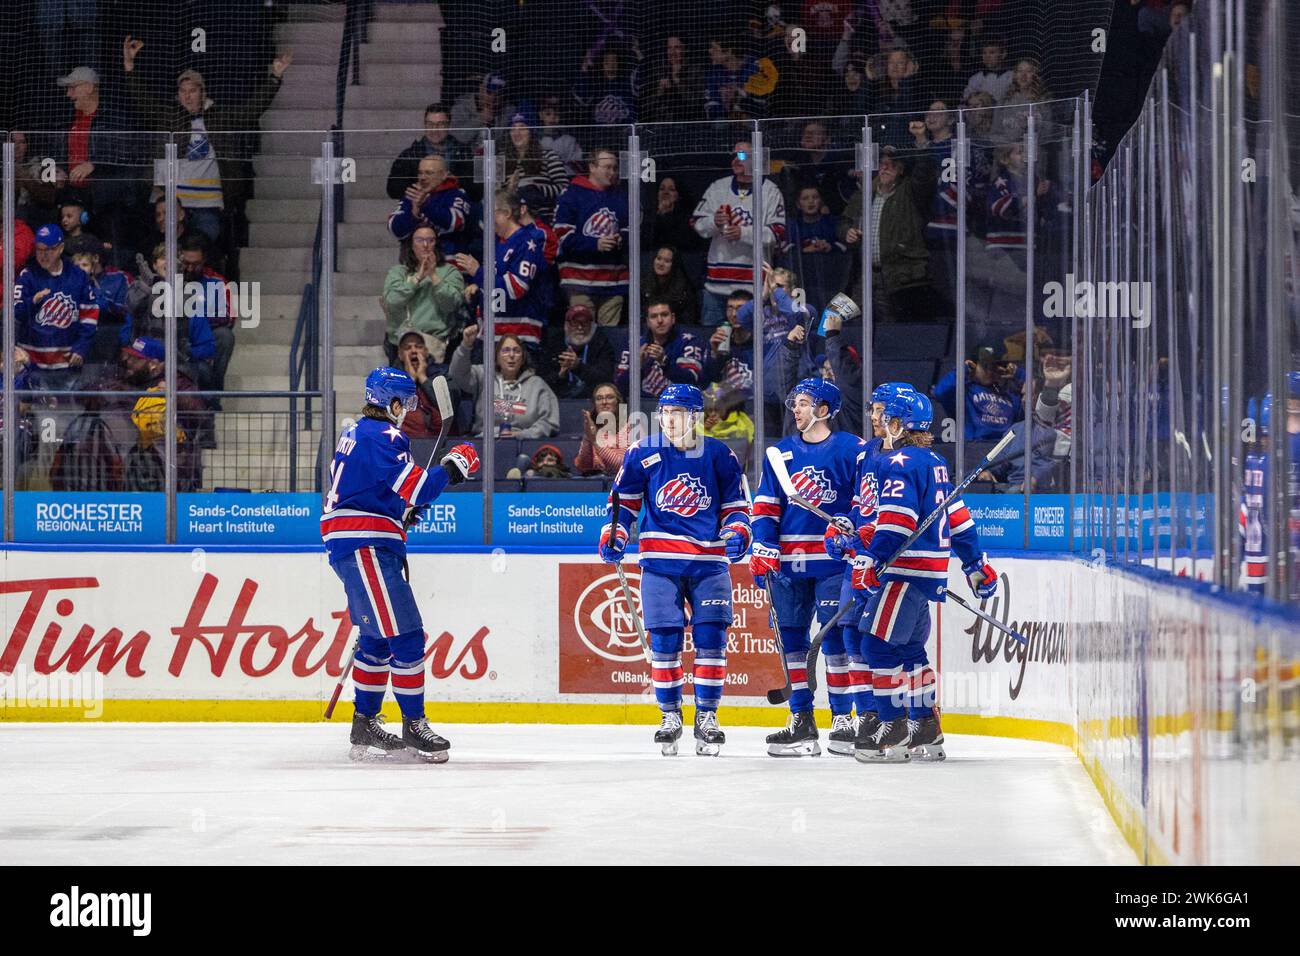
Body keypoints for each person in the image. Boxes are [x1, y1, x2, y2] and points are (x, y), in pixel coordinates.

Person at [320, 367, 480, 762]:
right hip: (367, 545)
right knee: (407, 636)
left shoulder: (355, 432)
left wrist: (398, 511)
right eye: (405, 402)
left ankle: (365, 721)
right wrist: (454, 466)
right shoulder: (386, 436)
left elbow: (370, 489)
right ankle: (414, 724)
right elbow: (421, 487)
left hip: (354, 541)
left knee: (376, 638)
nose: (407, 410)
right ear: (391, 402)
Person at [840, 390, 997, 762]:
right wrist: (974, 564)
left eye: (885, 416)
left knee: (875, 645)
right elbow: (958, 520)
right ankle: (925, 723)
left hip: (902, 570)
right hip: (927, 571)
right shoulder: (934, 462)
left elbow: (897, 523)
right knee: (909, 649)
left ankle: (891, 728)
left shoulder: (899, 462)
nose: (880, 421)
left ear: (898, 423)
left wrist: (869, 559)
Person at [599, 383, 753, 756]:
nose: (669, 420)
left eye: (678, 413)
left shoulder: (719, 454)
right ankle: (669, 715)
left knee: (711, 640)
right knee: (664, 641)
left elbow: (738, 506)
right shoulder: (642, 452)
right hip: (659, 564)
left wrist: (737, 533)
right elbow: (623, 504)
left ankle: (707, 716)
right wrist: (615, 533)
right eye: (665, 413)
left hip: (709, 564)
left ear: (696, 417)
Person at [753, 378, 866, 757]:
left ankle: (842, 719)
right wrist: (763, 546)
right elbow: (766, 507)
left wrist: (851, 527)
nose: (796, 410)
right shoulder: (779, 454)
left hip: (832, 563)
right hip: (787, 565)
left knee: (833, 638)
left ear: (823, 410)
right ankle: (801, 718)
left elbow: (864, 501)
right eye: (795, 404)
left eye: (803, 404)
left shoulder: (852, 450)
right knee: (793, 639)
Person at [123, 36, 293, 246]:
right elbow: (142, 99)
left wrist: (274, 77)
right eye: (183, 92)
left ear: (203, 93)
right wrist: (130, 66)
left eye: (192, 91)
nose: (187, 96)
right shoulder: (168, 116)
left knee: (202, 249)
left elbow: (251, 111)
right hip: (173, 204)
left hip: (207, 204)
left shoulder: (219, 117)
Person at [691, 140, 786, 326]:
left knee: (750, 340)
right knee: (715, 342)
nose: (736, 159)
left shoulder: (770, 191)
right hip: (716, 286)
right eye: (733, 155)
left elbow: (777, 233)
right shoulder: (718, 187)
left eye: (742, 155)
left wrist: (742, 233)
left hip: (753, 287)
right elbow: (696, 222)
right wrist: (714, 223)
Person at [449, 190, 549, 354]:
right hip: (491, 334)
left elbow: (516, 288)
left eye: (491, 212)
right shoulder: (497, 244)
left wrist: (478, 273)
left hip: (517, 337)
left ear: (507, 213)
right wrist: (478, 286)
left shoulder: (526, 244)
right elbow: (494, 281)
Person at [14, 224, 99, 394]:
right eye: (39, 250)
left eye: (49, 250)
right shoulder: (27, 276)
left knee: (65, 416)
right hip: (32, 366)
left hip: (67, 366)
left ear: (60, 248)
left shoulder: (78, 276)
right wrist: (33, 301)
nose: (43, 255)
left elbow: (89, 316)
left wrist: (81, 347)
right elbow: (15, 313)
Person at [554, 149, 628, 327]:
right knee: (582, 334)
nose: (612, 172)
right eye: (607, 167)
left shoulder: (620, 197)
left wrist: (621, 239)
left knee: (609, 338)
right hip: (579, 281)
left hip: (613, 281)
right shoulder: (571, 195)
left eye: (615, 168)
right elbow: (561, 235)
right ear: (592, 167)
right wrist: (595, 243)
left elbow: (629, 229)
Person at [449, 326, 559, 439]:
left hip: (523, 446)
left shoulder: (537, 385)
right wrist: (465, 346)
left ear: (523, 358)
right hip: (484, 443)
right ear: (497, 357)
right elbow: (457, 375)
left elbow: (549, 422)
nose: (511, 355)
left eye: (516, 351)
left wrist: (524, 434)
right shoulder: (483, 376)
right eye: (505, 350)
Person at [382, 225, 466, 365]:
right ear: (411, 245)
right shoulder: (398, 272)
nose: (425, 245)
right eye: (420, 240)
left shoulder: (450, 272)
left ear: (436, 244)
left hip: (433, 343)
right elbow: (392, 301)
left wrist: (433, 276)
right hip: (400, 343)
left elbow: (452, 304)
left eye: (430, 240)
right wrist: (417, 279)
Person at [614, 298, 702, 402]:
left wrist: (665, 362)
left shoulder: (688, 342)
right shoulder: (633, 345)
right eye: (654, 316)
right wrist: (637, 366)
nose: (660, 320)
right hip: (640, 406)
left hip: (677, 406)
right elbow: (619, 387)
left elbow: (691, 382)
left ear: (673, 318)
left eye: (664, 315)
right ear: (647, 322)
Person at [386, 156, 475, 258]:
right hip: (415, 263)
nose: (423, 177)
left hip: (449, 263)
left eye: (429, 173)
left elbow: (454, 223)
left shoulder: (457, 194)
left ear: (444, 175)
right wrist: (413, 213)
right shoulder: (412, 195)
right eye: (420, 173)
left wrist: (425, 205)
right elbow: (395, 230)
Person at [934, 343, 1024, 442]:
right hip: (975, 449)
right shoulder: (965, 392)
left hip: (1006, 449)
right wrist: (964, 370)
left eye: (994, 366)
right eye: (985, 366)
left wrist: (1018, 374)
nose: (990, 371)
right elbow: (940, 392)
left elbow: (1034, 399)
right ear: (974, 366)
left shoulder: (1010, 395)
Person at [385, 103, 472, 200]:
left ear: (448, 125)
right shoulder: (410, 154)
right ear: (425, 125)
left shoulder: (464, 153)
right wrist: (421, 189)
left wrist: (451, 183)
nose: (434, 129)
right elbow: (392, 189)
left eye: (440, 124)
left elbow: (476, 191)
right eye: (430, 124)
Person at [499, 107, 570, 221]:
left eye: (522, 128)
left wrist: (536, 189)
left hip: (541, 219)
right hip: (510, 219)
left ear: (531, 131)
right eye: (512, 129)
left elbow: (564, 189)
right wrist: (510, 189)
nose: (516, 133)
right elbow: (493, 194)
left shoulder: (548, 155)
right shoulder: (500, 160)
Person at [542, 303, 617, 401]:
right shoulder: (553, 344)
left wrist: (578, 367)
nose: (580, 328)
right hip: (558, 402)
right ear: (566, 325)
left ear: (592, 326)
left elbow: (606, 380)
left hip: (592, 401)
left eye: (585, 323)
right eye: (575, 323)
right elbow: (542, 382)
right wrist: (560, 375)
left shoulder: (602, 344)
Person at [391, 327, 449, 440]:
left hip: (439, 442)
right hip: (402, 442)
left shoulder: (442, 374)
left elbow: (447, 406)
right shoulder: (390, 380)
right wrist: (411, 379)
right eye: (408, 348)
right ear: (400, 354)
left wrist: (423, 378)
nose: (413, 351)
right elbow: (390, 411)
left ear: (426, 352)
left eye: (418, 346)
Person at [574, 382, 631, 477]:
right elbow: (583, 466)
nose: (604, 402)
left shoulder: (630, 427)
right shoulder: (593, 427)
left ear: (618, 402)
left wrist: (595, 441)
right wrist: (588, 437)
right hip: (594, 485)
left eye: (609, 397)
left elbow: (621, 466)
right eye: (599, 398)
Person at [641, 246, 698, 327]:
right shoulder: (643, 284)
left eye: (667, 261)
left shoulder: (685, 289)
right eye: (658, 258)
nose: (661, 264)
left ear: (674, 265)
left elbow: (688, 321)